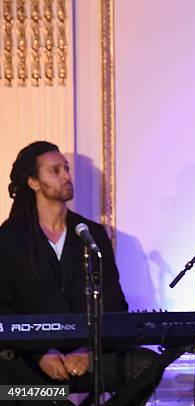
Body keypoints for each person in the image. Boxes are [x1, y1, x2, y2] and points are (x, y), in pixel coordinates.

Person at [0, 141, 161, 405]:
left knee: (147, 363)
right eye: (55, 171)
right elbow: (2, 308)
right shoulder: (9, 238)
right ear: (33, 182)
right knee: (7, 379)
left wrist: (88, 352)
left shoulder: (91, 234)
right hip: (33, 361)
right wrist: (42, 352)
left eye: (65, 168)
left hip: (86, 357)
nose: (65, 175)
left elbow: (114, 304)